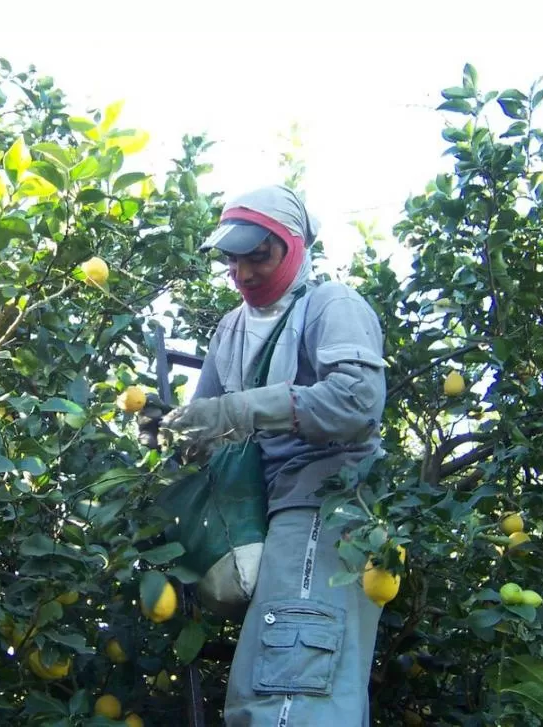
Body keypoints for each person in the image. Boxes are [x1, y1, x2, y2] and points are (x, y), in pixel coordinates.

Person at [163, 184, 388, 726]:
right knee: (277, 671)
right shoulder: (231, 328)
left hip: (321, 503)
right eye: (232, 260)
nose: (242, 273)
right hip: (260, 516)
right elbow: (208, 426)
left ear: (293, 245)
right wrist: (169, 433)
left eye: (257, 256)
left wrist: (236, 411)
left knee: (291, 682)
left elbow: (356, 403)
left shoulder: (331, 304)